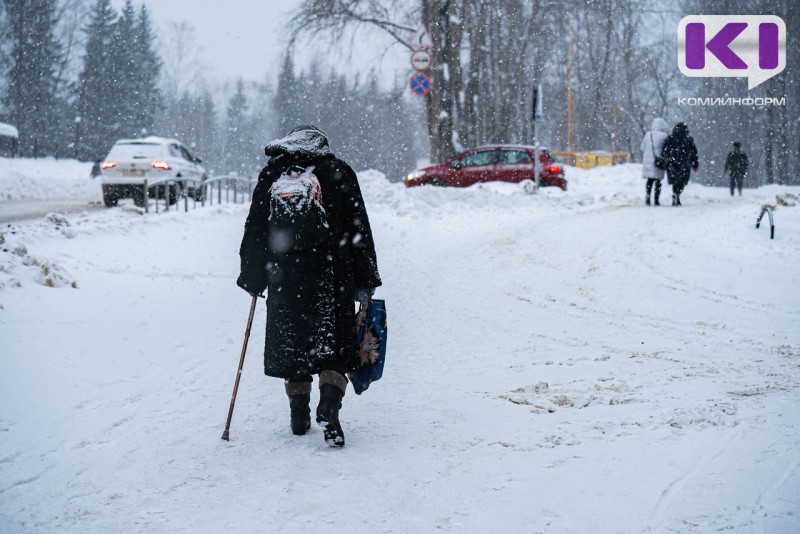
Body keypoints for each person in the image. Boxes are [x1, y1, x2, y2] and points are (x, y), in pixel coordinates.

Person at [237, 125, 381, 448]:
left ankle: (298, 413)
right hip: (332, 275)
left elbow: (256, 228)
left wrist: (252, 276)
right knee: (335, 346)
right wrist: (365, 278)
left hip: (285, 276)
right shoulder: (338, 171)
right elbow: (360, 228)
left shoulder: (273, 174)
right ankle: (329, 406)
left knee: (293, 343)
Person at [661, 122, 699, 206]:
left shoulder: (670, 138)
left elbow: (665, 150)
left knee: (675, 180)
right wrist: (695, 164)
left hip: (672, 163)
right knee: (682, 181)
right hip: (685, 163)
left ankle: (675, 193)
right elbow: (694, 153)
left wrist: (665, 161)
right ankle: (678, 193)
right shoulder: (688, 139)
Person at [640, 117, 670, 206]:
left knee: (649, 180)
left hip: (648, 162)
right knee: (658, 181)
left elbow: (642, 147)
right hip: (658, 161)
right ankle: (656, 199)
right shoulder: (664, 136)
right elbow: (666, 149)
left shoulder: (648, 135)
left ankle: (648, 196)